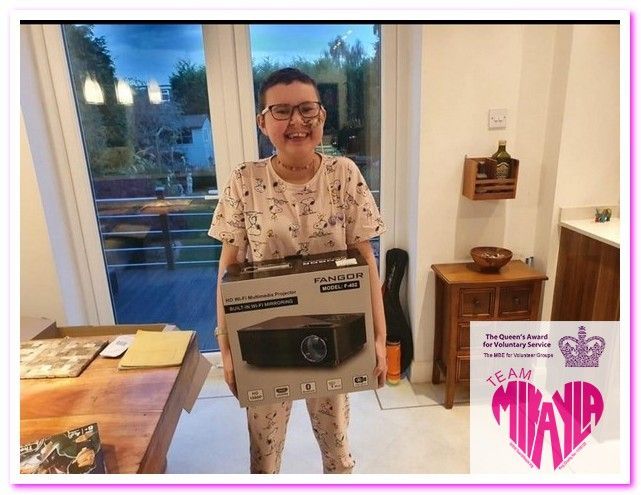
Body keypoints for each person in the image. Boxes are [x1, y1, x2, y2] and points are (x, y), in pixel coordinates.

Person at [208, 67, 387, 474]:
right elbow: (228, 270)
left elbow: (366, 260)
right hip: (266, 337)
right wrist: (227, 349)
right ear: (262, 122)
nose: (297, 121)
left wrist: (379, 337)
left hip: (331, 336)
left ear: (322, 116)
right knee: (264, 454)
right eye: (281, 110)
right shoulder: (244, 180)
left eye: (307, 109)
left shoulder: (344, 175)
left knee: (337, 445)